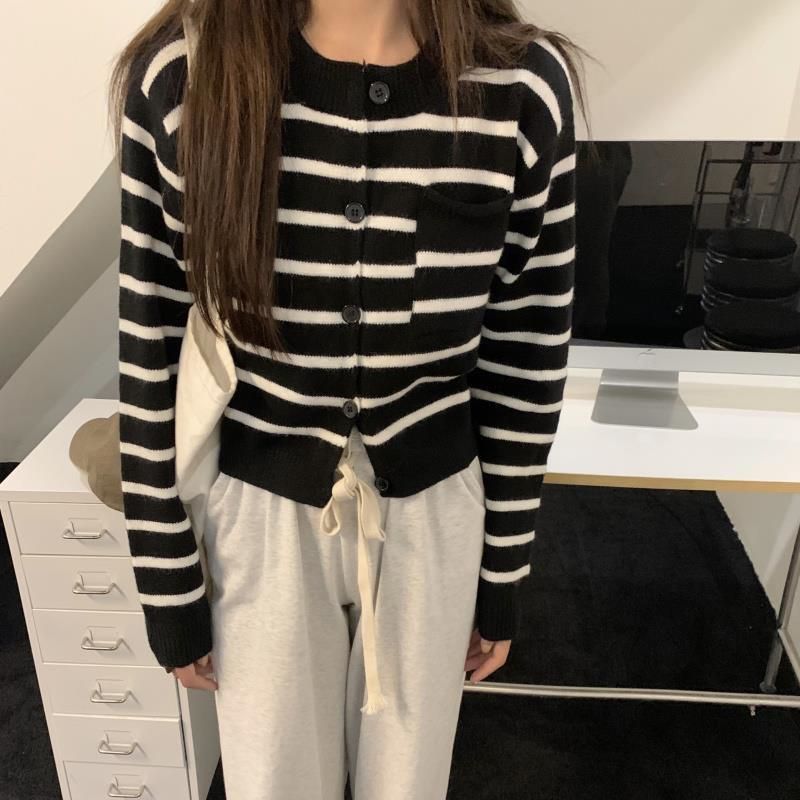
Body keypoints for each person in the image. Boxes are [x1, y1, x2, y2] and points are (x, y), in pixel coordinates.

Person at [109, 1, 586, 797]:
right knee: (272, 781)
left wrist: (503, 568)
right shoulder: (184, 75)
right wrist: (167, 581)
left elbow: (525, 354)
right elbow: (148, 336)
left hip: (435, 515)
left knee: (409, 784)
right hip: (258, 517)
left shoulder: (521, 86)